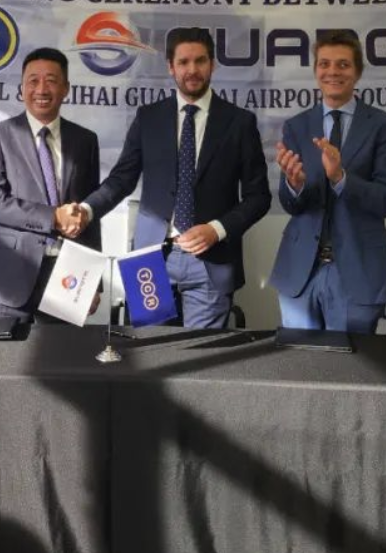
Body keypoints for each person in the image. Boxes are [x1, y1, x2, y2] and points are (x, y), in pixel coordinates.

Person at [76, 27, 270, 329]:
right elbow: (121, 180)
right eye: (183, 62)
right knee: (150, 352)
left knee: (198, 354)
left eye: (200, 61)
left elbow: (259, 197)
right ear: (170, 66)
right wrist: (86, 210)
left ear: (212, 64)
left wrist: (217, 229)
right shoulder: (148, 118)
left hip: (211, 262)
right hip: (150, 261)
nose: (192, 70)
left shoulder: (240, 122)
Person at [270, 30, 386, 333]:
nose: (333, 72)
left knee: (350, 361)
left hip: (358, 272)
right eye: (324, 64)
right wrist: (295, 185)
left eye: (343, 64)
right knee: (298, 359)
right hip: (300, 272)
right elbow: (291, 205)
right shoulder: (296, 126)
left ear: (357, 72)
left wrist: (340, 178)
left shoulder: (385, 127)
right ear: (316, 70)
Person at [0, 47, 101, 321]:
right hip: (5, 279)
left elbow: (90, 213)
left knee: (60, 351)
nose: (41, 89)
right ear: (22, 88)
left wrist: (93, 280)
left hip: (66, 280)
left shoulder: (85, 140)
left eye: (51, 81)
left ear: (66, 89)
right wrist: (53, 217)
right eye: (33, 81)